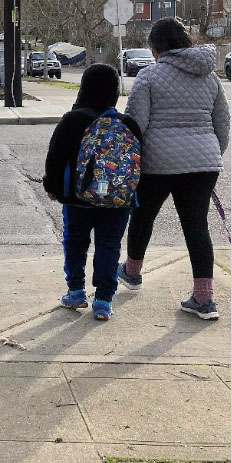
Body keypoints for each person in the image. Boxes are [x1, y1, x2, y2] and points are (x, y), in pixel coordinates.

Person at [118, 18, 229, 321]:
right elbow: (222, 123)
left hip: (157, 163)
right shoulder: (210, 76)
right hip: (204, 163)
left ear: (156, 48)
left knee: (143, 216)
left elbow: (136, 124)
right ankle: (204, 299)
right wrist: (208, 156)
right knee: (197, 226)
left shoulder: (148, 76)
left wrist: (134, 161)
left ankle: (132, 271)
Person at [43, 64, 143, 321]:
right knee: (109, 246)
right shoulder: (128, 124)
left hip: (78, 200)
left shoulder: (73, 120)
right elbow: (139, 163)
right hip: (118, 201)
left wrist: (52, 187)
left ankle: (76, 291)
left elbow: (55, 157)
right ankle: (103, 301)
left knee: (75, 243)